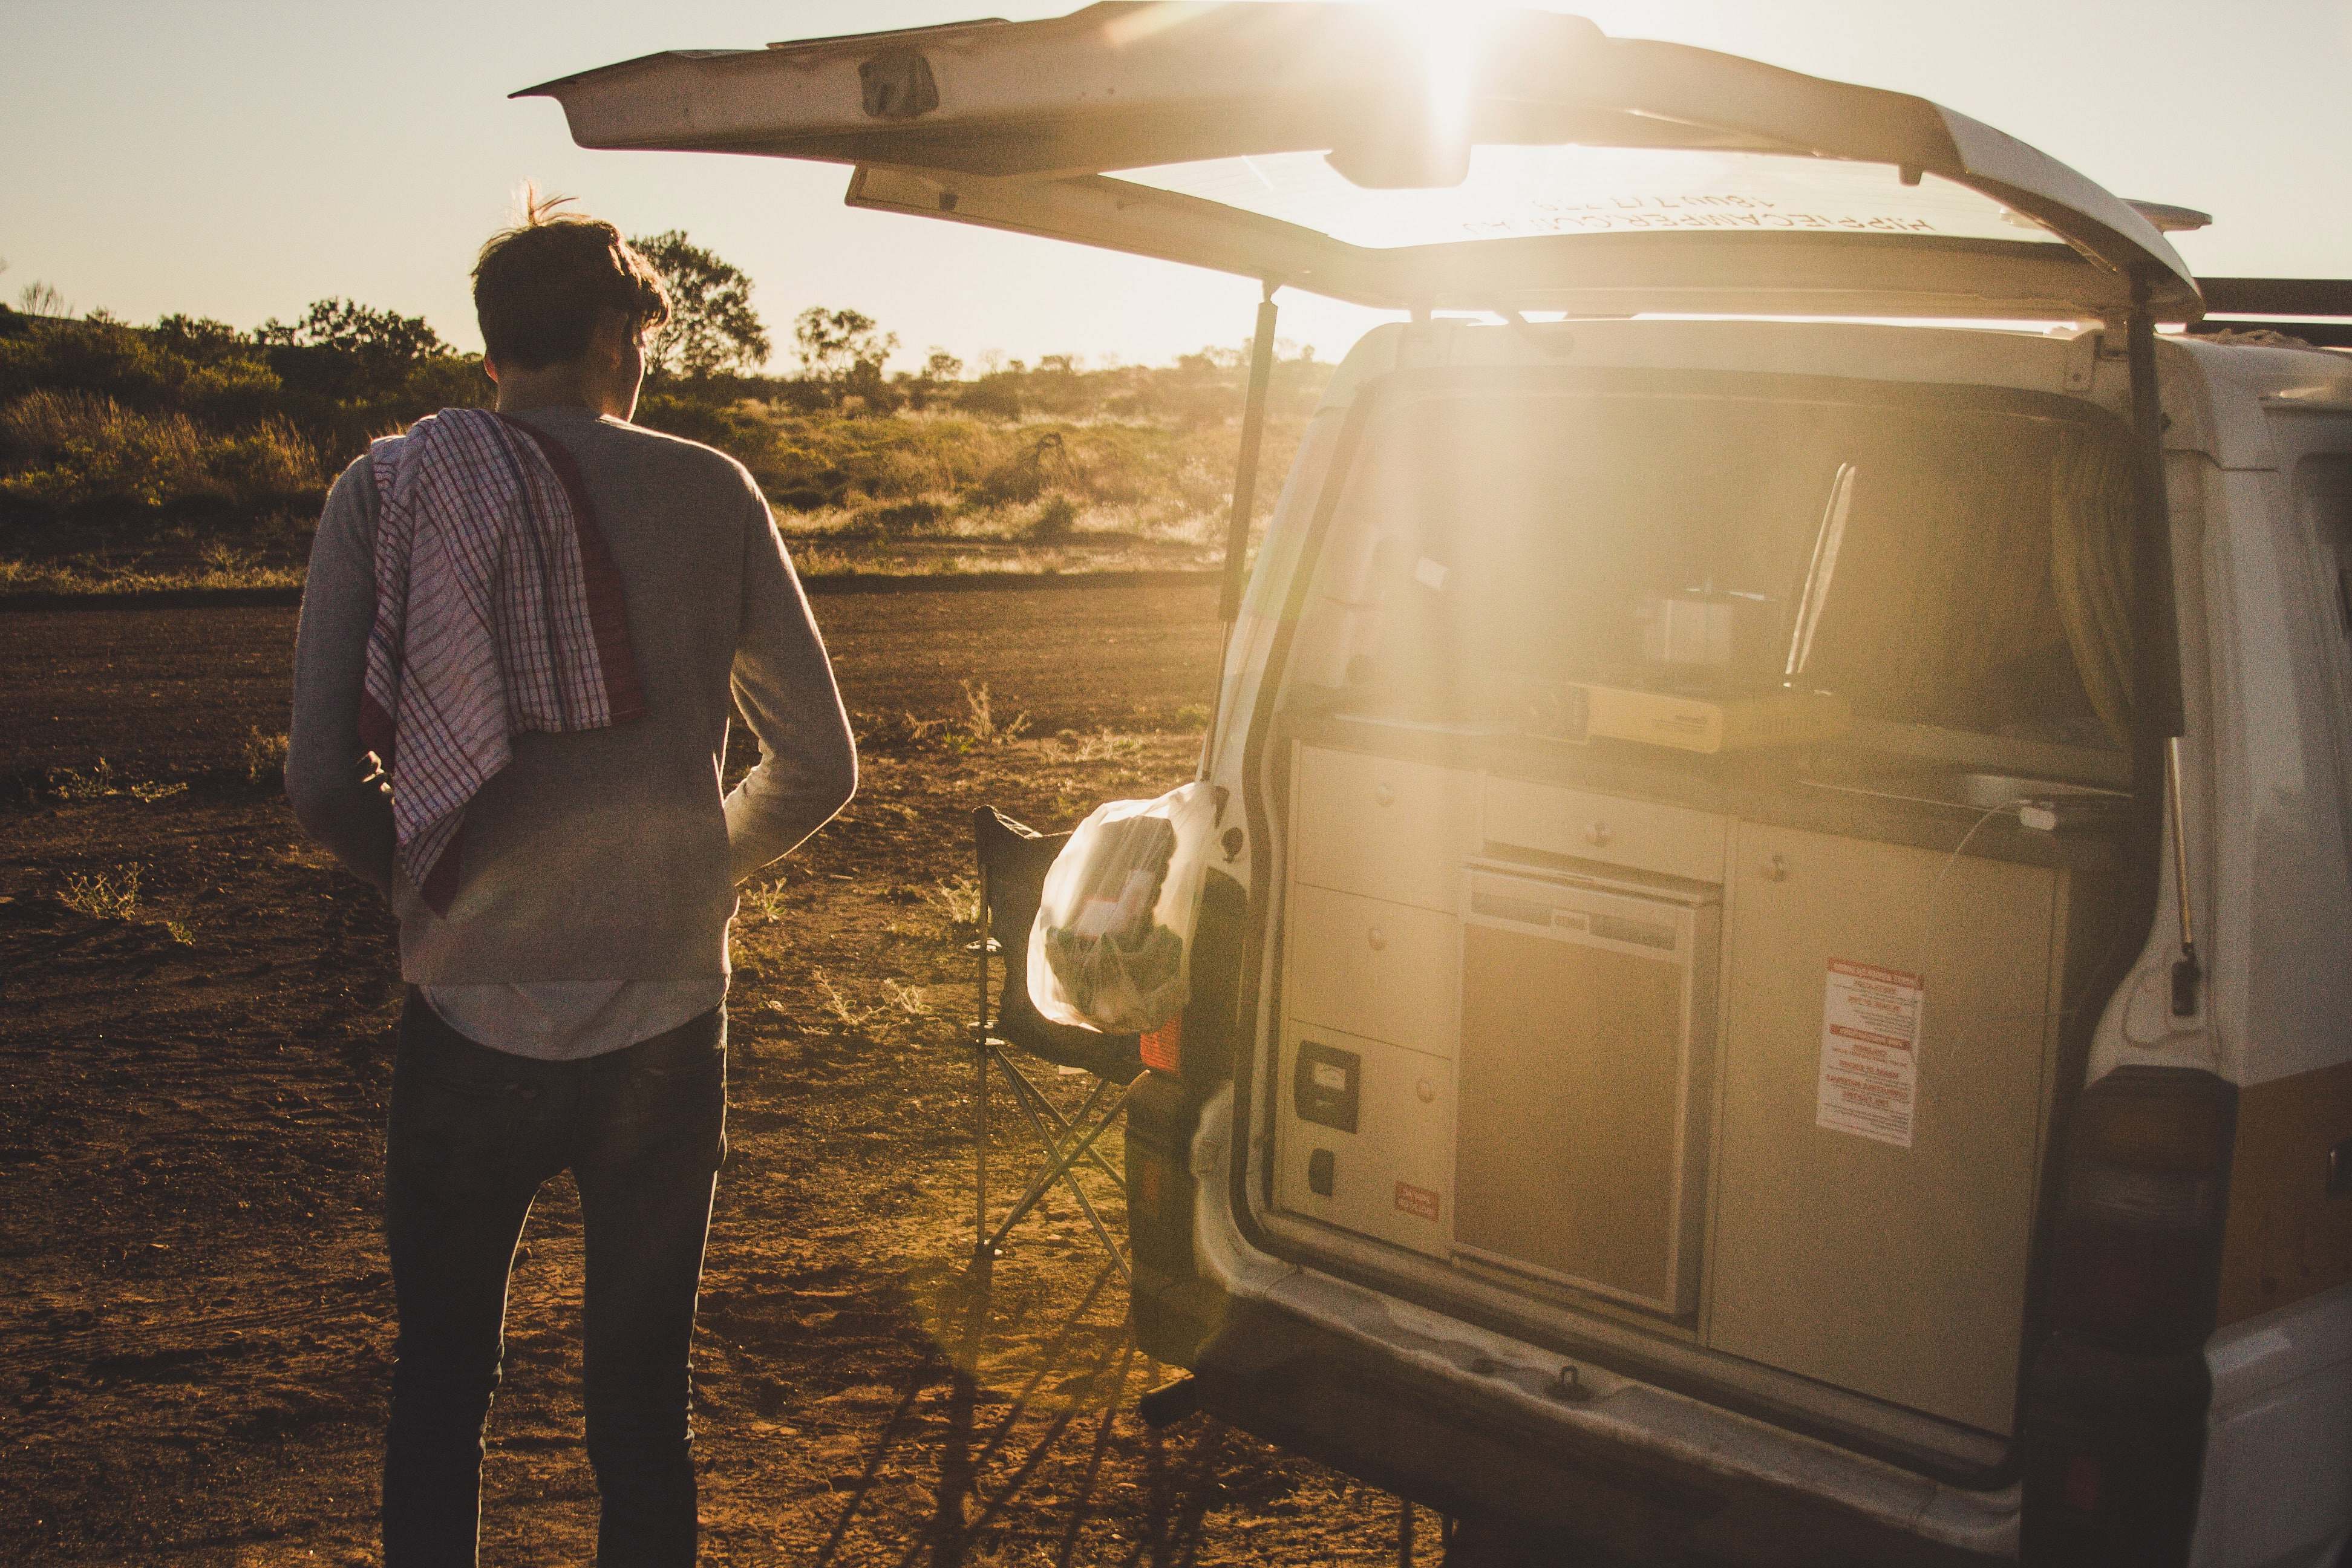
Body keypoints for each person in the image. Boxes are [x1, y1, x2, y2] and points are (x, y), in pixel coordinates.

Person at [286, 197, 856, 1567]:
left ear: (494, 351)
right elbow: (818, 764)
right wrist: (684, 875)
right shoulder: (709, 491)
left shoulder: (390, 487)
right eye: (646, 337)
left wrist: (440, 893)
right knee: (642, 1408)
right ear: (619, 335)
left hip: (466, 1007)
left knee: (439, 1388)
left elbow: (318, 785)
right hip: (663, 1012)